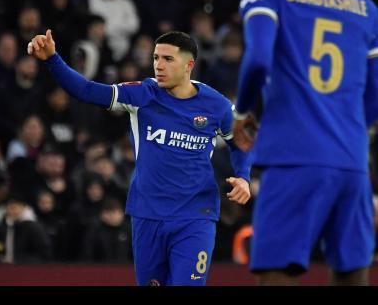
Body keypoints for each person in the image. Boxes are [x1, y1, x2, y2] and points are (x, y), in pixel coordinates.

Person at [28, 29, 251, 286]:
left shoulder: (217, 105)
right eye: (156, 58)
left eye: (168, 59)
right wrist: (52, 59)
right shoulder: (142, 95)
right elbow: (87, 91)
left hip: (195, 216)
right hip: (148, 214)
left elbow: (242, 142)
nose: (158, 65)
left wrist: (244, 177)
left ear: (189, 65)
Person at [232, 0, 378, 285]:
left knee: (277, 273)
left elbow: (258, 60)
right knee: (353, 275)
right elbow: (376, 94)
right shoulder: (366, 5)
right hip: (352, 162)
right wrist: (344, 136)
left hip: (293, 157)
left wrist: (242, 113)